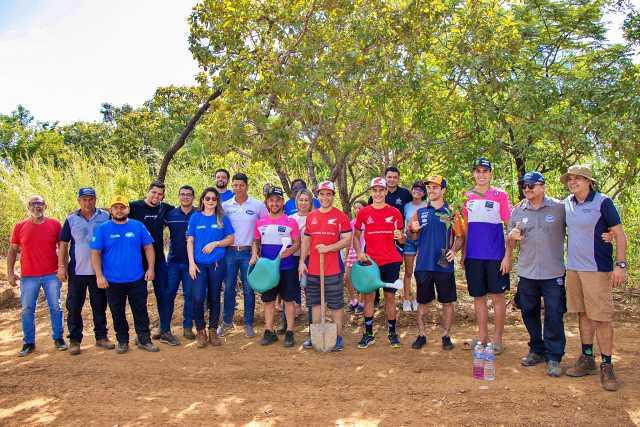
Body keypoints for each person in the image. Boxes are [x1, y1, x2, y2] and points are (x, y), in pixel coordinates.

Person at [561, 165, 628, 391]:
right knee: (583, 314)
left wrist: (620, 265)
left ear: (589, 181)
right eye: (570, 178)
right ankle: (587, 357)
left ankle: (607, 364)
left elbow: (619, 234)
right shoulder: (567, 203)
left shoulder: (603, 202)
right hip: (574, 269)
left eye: (578, 178)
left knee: (601, 318)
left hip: (597, 269)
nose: (573, 182)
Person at [506, 172, 567, 376]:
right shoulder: (517, 210)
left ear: (543, 186)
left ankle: (554, 356)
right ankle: (536, 349)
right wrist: (511, 237)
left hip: (553, 272)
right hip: (527, 271)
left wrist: (607, 232)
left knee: (554, 314)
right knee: (528, 311)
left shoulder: (559, 208)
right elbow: (510, 238)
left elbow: (579, 226)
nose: (527, 188)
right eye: (524, 185)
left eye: (531, 185)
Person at [90, 195, 159, 354]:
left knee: (140, 310)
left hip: (136, 278)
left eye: (122, 207)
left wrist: (151, 269)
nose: (119, 210)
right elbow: (95, 253)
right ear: (111, 210)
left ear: (128, 209)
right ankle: (122, 340)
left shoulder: (138, 226)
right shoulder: (103, 229)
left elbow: (149, 248)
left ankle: (144, 339)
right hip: (112, 280)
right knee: (117, 311)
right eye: (116, 207)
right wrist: (99, 275)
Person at [462, 157, 512, 354]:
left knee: (498, 298)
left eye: (485, 171)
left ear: (491, 174)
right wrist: (464, 253)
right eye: (478, 171)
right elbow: (465, 228)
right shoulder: (466, 196)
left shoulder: (501, 195)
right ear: (473, 174)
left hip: (495, 256)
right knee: (478, 298)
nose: (481, 175)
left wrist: (508, 255)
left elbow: (510, 227)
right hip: (474, 256)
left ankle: (498, 340)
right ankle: (482, 337)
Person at [409, 176, 463, 351]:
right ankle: (422, 334)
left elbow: (460, 237)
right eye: (429, 187)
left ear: (443, 190)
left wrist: (454, 250)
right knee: (422, 302)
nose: (431, 190)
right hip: (423, 264)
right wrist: (413, 230)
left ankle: (446, 335)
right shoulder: (420, 212)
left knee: (447, 302)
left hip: (443, 265)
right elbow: (412, 237)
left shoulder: (452, 212)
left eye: (435, 187)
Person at [8, 195, 66, 357]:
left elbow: (62, 247)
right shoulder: (20, 227)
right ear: (28, 207)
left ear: (45, 206)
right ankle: (28, 342)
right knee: (27, 309)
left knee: (56, 307)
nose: (36, 207)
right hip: (28, 276)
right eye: (33, 204)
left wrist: (63, 267)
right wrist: (11, 272)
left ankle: (58, 338)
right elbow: (12, 251)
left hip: (51, 275)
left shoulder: (54, 224)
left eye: (39, 204)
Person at [58, 187, 114, 355]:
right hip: (77, 271)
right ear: (79, 201)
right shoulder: (71, 219)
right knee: (74, 306)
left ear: (95, 200)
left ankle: (101, 337)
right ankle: (75, 340)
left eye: (91, 199)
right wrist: (61, 266)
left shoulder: (105, 216)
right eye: (84, 199)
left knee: (99, 305)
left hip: (99, 271)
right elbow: (63, 243)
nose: (88, 202)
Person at [299, 181, 352, 351]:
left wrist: (328, 248)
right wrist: (301, 261)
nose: (325, 197)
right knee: (315, 304)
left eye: (328, 194)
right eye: (322, 194)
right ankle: (315, 336)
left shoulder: (340, 216)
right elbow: (306, 240)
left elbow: (347, 240)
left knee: (336, 305)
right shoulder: (311, 216)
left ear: (333, 196)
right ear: (318, 196)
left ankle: (337, 338)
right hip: (313, 268)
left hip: (333, 269)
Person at [354, 177, 405, 349]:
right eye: (374, 190)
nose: (378, 193)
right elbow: (355, 235)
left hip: (391, 261)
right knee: (369, 298)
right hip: (371, 262)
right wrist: (360, 252)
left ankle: (392, 333)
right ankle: (368, 334)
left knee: (390, 298)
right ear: (371, 192)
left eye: (381, 190)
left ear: (385, 192)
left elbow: (403, 239)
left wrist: (401, 237)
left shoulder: (395, 213)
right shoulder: (364, 213)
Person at [251, 186, 301, 347]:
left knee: (288, 300)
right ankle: (268, 331)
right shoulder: (260, 222)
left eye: (277, 200)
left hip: (287, 267)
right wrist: (254, 254)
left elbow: (297, 243)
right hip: (267, 270)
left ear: (282, 202)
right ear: (267, 202)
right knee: (269, 301)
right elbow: (256, 242)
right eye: (271, 200)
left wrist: (291, 250)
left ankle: (290, 332)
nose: (274, 203)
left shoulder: (291, 221)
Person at [220, 173, 268, 338]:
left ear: (246, 185)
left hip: (249, 253)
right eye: (235, 185)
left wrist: (258, 251)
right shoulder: (225, 206)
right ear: (231, 186)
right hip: (230, 252)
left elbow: (265, 227)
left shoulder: (257, 205)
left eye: (241, 185)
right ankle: (227, 322)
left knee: (249, 289)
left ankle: (248, 324)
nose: (238, 188)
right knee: (228, 289)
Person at [128, 181, 176, 345]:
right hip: (137, 261)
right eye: (153, 192)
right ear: (147, 192)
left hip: (159, 260)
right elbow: (115, 214)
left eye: (160, 194)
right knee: (139, 298)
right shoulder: (134, 207)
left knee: (164, 295)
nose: (156, 196)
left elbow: (184, 213)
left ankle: (165, 330)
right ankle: (142, 333)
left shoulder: (165, 209)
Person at [187, 188, 235, 348]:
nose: (210, 201)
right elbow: (190, 241)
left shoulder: (222, 218)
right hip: (199, 265)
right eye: (207, 198)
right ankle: (200, 330)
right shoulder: (195, 217)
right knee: (198, 298)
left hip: (216, 264)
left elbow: (231, 239)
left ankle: (213, 330)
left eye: (214, 198)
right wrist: (191, 263)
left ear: (217, 201)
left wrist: (216, 243)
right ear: (202, 200)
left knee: (214, 297)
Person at [164, 185, 196, 340]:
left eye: (188, 195)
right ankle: (164, 328)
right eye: (182, 194)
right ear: (178, 196)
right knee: (168, 295)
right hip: (173, 263)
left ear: (193, 197)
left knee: (189, 295)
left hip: (192, 263)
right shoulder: (170, 214)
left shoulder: (198, 214)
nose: (185, 197)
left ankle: (188, 327)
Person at [284, 189, 314, 332]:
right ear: (296, 202)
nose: (303, 203)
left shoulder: (314, 217)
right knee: (289, 289)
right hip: (292, 257)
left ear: (310, 202)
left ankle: (312, 323)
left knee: (308, 288)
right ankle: (286, 323)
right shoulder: (291, 218)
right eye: (301, 200)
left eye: (306, 200)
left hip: (308, 258)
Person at [401, 181, 428, 312]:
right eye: (415, 189)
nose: (417, 192)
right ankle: (406, 299)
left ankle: (418, 299)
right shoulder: (406, 206)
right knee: (408, 271)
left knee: (420, 272)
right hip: (409, 240)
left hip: (423, 240)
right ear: (412, 190)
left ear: (424, 193)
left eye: (421, 190)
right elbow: (403, 224)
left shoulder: (427, 205)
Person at [344, 200, 366, 315]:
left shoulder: (367, 222)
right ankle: (353, 301)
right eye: (355, 208)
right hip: (352, 252)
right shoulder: (351, 223)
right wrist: (346, 255)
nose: (357, 210)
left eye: (360, 208)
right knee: (347, 278)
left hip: (363, 252)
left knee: (362, 280)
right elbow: (348, 241)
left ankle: (362, 303)